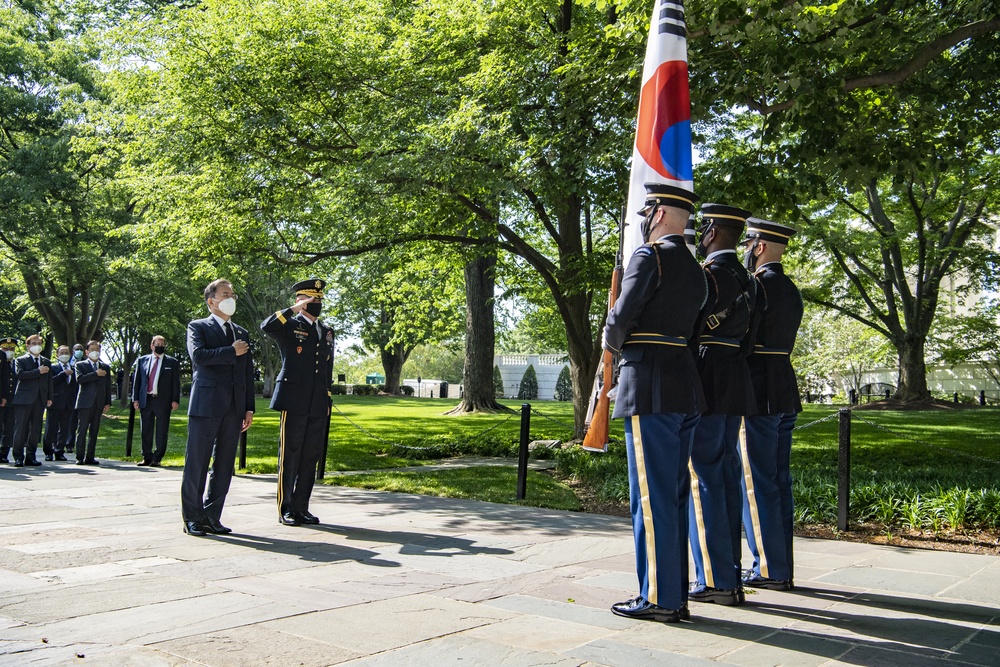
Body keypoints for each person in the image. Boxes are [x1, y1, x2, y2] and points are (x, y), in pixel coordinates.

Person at [602, 183, 707, 623]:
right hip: (684, 382)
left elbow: (621, 317)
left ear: (660, 213)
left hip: (648, 382)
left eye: (648, 212)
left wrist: (612, 347)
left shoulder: (650, 257)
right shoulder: (698, 271)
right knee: (674, 494)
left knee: (651, 497)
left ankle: (661, 598)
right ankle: (674, 594)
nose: (644, 220)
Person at [686, 203, 757, 607]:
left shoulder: (707, 277)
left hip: (708, 377)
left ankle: (715, 579)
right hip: (735, 378)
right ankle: (728, 572)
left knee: (704, 477)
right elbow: (750, 339)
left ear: (711, 233)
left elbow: (691, 329)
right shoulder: (750, 281)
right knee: (726, 475)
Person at [739, 217, 804, 592]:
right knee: (779, 481)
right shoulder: (790, 288)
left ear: (758, 246)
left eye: (748, 245)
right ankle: (781, 564)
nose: (746, 251)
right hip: (784, 388)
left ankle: (769, 568)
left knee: (757, 482)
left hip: (758, 392)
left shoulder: (756, 288)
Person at [181, 279, 255, 537]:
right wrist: (230, 351)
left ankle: (212, 516)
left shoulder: (242, 333)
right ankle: (192, 517)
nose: (231, 297)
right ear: (211, 301)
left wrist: (249, 408)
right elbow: (199, 357)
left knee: (224, 465)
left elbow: (247, 373)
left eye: (232, 294)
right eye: (225, 294)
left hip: (234, 408)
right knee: (197, 463)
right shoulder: (197, 327)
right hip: (206, 405)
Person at [260, 279, 334, 526]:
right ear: (299, 301)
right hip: (293, 399)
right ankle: (286, 508)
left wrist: (327, 397)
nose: (316, 304)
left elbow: (326, 367)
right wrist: (293, 309)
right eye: (311, 299)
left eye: (319, 300)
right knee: (290, 455)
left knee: (310, 456)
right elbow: (266, 326)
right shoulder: (289, 325)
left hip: (316, 401)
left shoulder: (327, 331)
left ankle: (302, 506)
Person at [131, 335, 182, 466]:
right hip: (146, 399)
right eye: (157, 344)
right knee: (145, 429)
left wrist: (175, 399)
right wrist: (135, 398)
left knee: (161, 430)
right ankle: (146, 456)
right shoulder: (142, 360)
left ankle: (157, 458)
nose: (160, 346)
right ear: (152, 346)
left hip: (163, 401)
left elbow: (176, 383)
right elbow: (137, 381)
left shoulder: (172, 362)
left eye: (162, 344)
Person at [11, 334, 53, 467]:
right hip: (24, 399)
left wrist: (49, 397)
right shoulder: (21, 360)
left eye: (39, 343)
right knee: (21, 429)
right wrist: (37, 371)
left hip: (40, 399)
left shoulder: (46, 361)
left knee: (35, 430)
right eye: (34, 343)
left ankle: (31, 456)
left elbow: (49, 381)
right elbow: (20, 375)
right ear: (27, 345)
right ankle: (18, 456)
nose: (37, 346)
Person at [73, 340, 112, 465]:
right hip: (85, 402)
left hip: (98, 402)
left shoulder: (105, 367)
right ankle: (80, 456)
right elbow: (80, 379)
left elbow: (107, 386)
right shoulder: (80, 365)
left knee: (94, 431)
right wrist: (95, 374)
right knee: (82, 430)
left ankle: (90, 456)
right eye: (92, 350)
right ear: (87, 351)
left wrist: (107, 402)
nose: (95, 352)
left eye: (97, 350)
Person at [43, 345, 76, 461]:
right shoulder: (53, 368)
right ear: (57, 355)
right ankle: (48, 451)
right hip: (55, 402)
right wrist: (63, 374)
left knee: (64, 429)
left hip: (68, 403)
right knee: (51, 428)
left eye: (66, 352)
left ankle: (59, 451)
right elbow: (50, 383)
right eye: (62, 352)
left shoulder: (74, 368)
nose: (64, 354)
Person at [0, 338, 17, 464]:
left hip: (13, 401)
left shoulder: (17, 364)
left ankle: (4, 453)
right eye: (6, 348)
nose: (9, 351)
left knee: (9, 429)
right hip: (1, 400)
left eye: (11, 349)